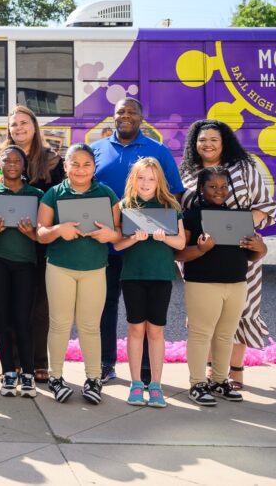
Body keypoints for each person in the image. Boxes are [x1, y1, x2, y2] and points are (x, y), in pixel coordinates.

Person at [180, 119, 276, 390]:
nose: (207, 144)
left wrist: (243, 229)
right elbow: (180, 210)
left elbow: (265, 205)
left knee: (241, 314)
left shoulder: (245, 167)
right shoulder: (187, 171)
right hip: (201, 254)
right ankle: (210, 373)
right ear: (194, 143)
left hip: (240, 252)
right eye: (202, 140)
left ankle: (234, 372)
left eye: (213, 139)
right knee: (205, 318)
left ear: (224, 142)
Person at [92, 97, 183, 385]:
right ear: (113, 116)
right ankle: (106, 364)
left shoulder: (158, 152)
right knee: (105, 306)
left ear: (141, 118)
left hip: (146, 249)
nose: (126, 116)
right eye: (121, 112)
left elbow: (174, 195)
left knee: (144, 316)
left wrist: (162, 228)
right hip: (108, 245)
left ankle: (146, 371)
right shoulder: (97, 149)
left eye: (132, 112)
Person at [0, 105, 63, 382]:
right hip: (0, 244)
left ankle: (36, 362)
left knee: (37, 306)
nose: (19, 128)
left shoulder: (51, 160)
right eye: (14, 124)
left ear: (35, 126)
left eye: (24, 123)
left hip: (37, 242)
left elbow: (59, 199)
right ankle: (10, 364)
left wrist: (42, 231)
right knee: (6, 307)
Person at [175, 166, 268, 406]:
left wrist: (260, 249)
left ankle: (219, 380)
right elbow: (179, 253)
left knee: (226, 335)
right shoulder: (192, 216)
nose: (219, 191)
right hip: (203, 283)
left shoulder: (238, 217)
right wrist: (201, 249)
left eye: (224, 186)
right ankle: (197, 384)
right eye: (212, 186)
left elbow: (252, 254)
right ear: (201, 189)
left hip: (236, 283)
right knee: (201, 334)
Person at [36, 143, 121, 405]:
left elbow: (118, 232)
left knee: (89, 326)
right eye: (75, 164)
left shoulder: (106, 194)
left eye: (86, 164)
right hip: (60, 267)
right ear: (66, 166)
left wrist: (110, 235)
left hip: (94, 269)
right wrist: (59, 229)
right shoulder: (53, 194)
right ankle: (56, 377)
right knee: (60, 324)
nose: (81, 169)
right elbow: (40, 233)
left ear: (94, 167)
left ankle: (93, 379)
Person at [111, 158, 185, 408]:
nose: (146, 183)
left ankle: (155, 384)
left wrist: (164, 238)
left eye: (151, 179)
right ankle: (135, 384)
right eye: (141, 178)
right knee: (135, 329)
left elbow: (181, 243)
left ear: (159, 182)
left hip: (161, 275)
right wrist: (133, 239)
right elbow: (117, 243)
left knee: (155, 330)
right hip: (133, 275)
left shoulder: (170, 206)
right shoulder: (125, 206)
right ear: (133, 179)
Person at [0, 145, 43, 398]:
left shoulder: (37, 195)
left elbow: (45, 235)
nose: (13, 164)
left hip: (26, 264)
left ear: (24, 165)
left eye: (18, 160)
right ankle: (8, 372)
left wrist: (32, 234)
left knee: (23, 319)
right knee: (2, 318)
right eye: (7, 160)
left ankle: (27, 373)